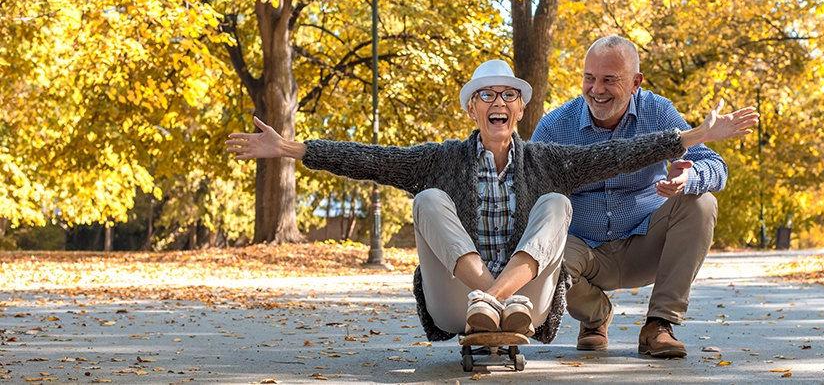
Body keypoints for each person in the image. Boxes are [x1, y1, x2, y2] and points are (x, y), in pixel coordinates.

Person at [227, 59, 757, 344]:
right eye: (486, 95)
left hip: (529, 304)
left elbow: (624, 153)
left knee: (555, 204)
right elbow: (371, 158)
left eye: (507, 95)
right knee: (430, 199)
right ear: (471, 111)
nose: (497, 102)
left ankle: (502, 299)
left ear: (520, 110)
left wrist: (690, 136)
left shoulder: (549, 160)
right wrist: (291, 148)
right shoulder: (440, 159)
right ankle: (489, 296)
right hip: (458, 300)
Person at [531, 35, 748, 357]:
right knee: (538, 257)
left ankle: (659, 324)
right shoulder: (554, 126)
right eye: (589, 78)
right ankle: (595, 317)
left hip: (646, 243)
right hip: (583, 249)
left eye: (609, 80)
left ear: (635, 82)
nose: (597, 89)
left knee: (702, 201)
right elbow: (531, 196)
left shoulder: (658, 112)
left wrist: (689, 178)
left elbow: (716, 167)